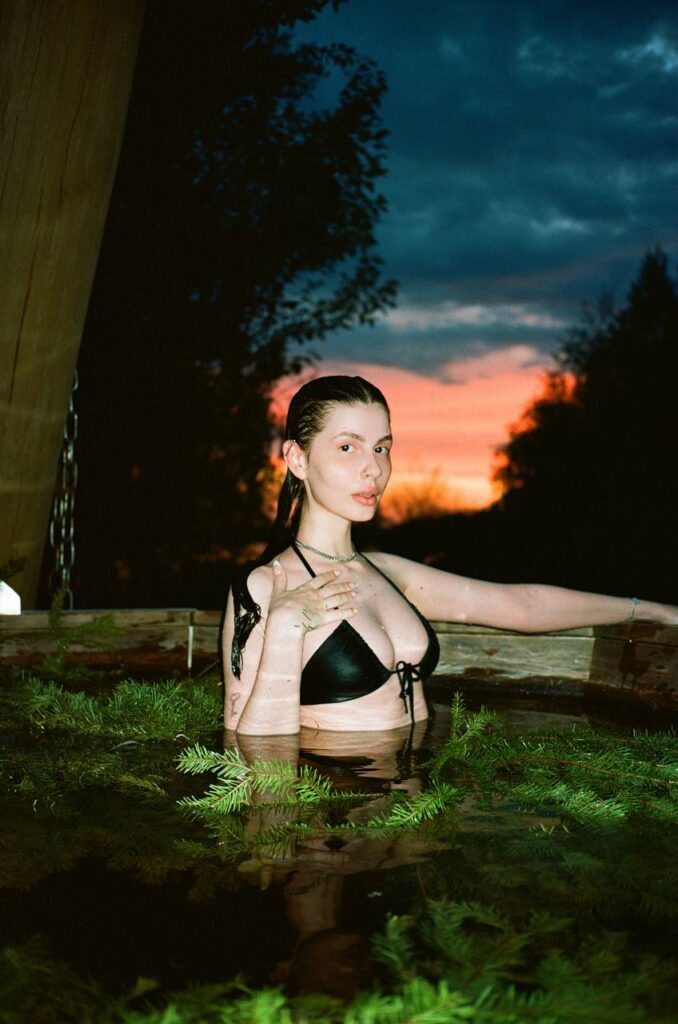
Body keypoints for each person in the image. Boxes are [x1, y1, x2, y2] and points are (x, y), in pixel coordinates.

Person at [223, 375, 678, 735]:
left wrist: (654, 611)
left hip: (418, 792)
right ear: (297, 459)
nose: (373, 467)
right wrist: (285, 627)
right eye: (348, 447)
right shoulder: (267, 586)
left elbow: (520, 604)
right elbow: (245, 745)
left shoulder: (389, 573)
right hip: (338, 805)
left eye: (382, 448)